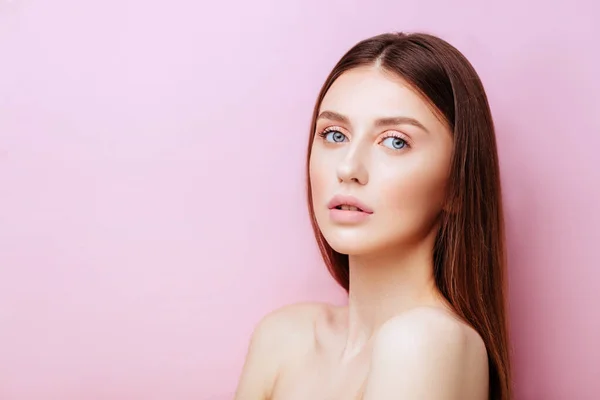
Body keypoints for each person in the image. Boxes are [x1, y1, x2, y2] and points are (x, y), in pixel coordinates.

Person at [234, 31, 511, 400]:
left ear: (456, 186)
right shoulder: (282, 337)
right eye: (334, 135)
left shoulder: (426, 341)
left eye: (395, 141)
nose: (348, 167)